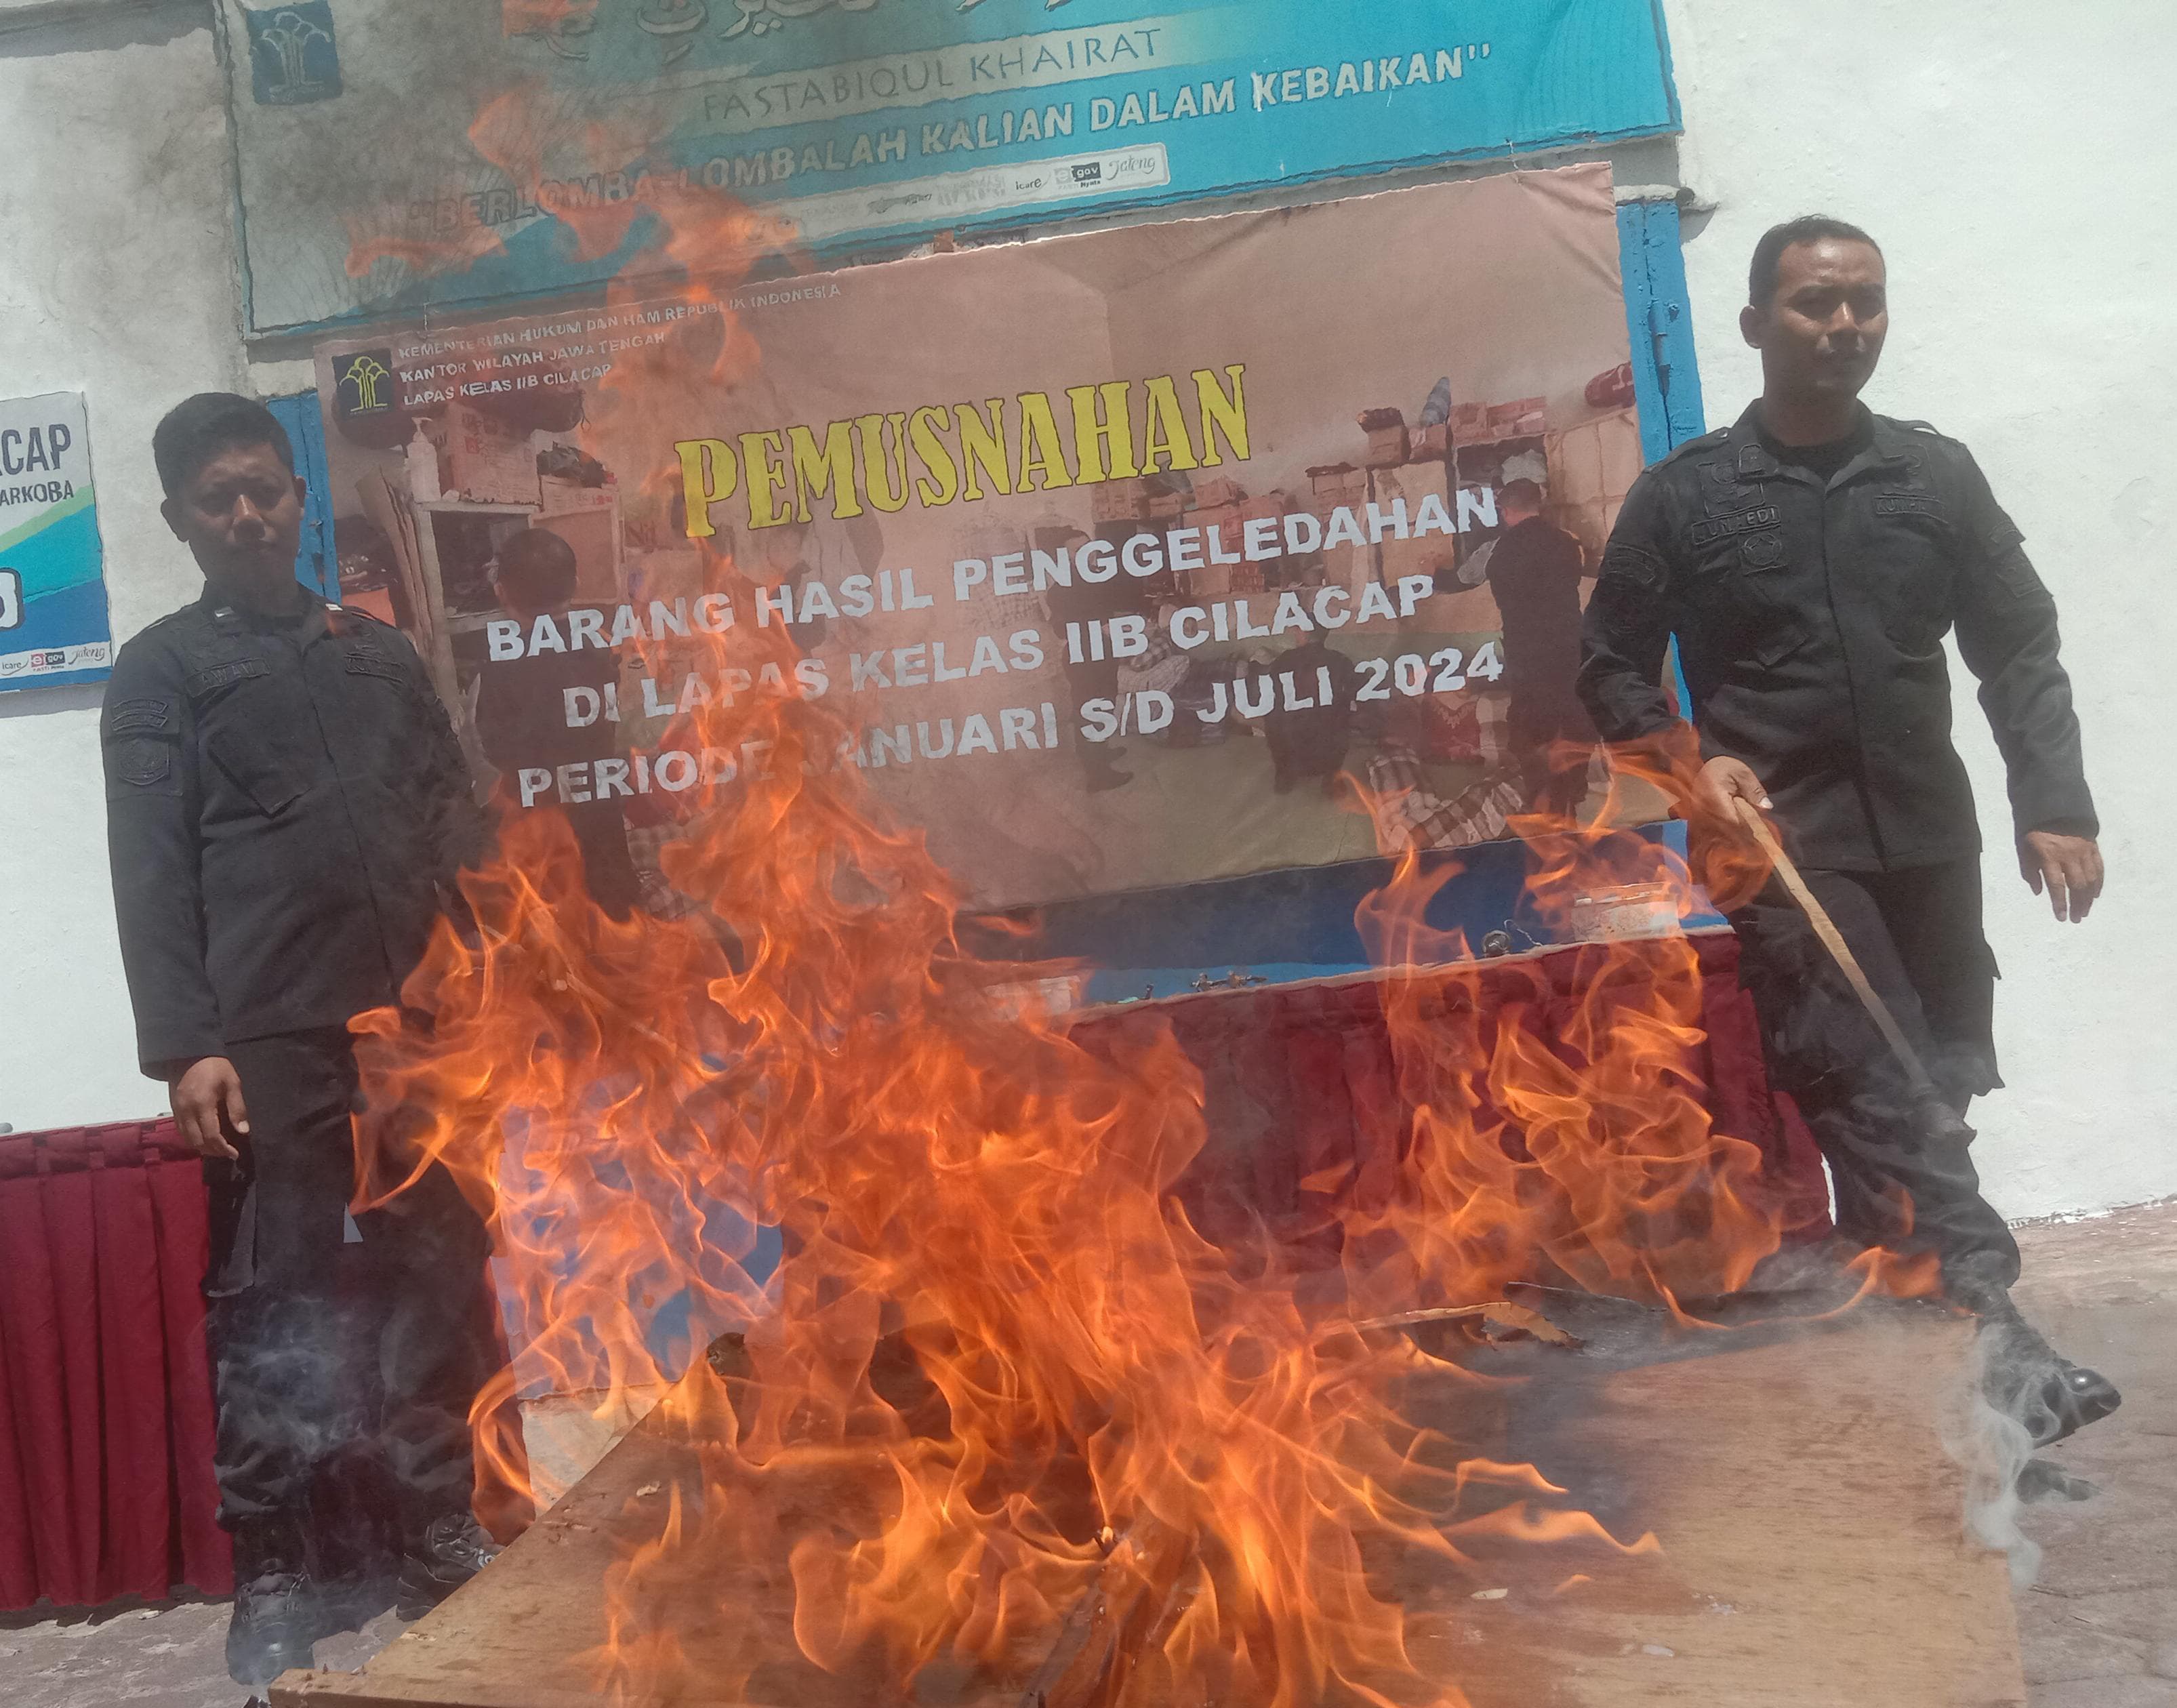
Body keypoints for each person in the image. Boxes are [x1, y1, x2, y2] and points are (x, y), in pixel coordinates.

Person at [1579, 218, 2119, 1446]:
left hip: (1928, 842)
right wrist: (1682, 759)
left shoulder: (1934, 478)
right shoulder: (1687, 495)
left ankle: (1924, 1387)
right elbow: (1607, 663)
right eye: (1816, 304)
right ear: (1755, 324)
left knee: (1931, 1090)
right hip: (1777, 848)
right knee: (1877, 1089)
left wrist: (2055, 805)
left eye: (1864, 303)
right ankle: (2000, 1327)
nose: (1843, 327)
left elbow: (2016, 645)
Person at [100, 395, 507, 1698]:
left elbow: (456, 824)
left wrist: (490, 968)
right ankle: (270, 1563)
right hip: (267, 1041)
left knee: (434, 1275)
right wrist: (185, 1046)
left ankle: (440, 1523)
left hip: (415, 1033)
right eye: (219, 497)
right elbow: (151, 872)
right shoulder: (161, 674)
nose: (248, 513)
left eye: (265, 489)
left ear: (298, 497)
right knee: (265, 1307)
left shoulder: (377, 659)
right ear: (180, 520)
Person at [474, 525, 642, 918]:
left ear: (502, 592)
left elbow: (488, 753)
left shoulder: (496, 667)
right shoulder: (602, 646)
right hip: (603, 831)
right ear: (576, 584)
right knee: (617, 920)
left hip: (539, 842)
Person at [1478, 478, 1596, 813]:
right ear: (1537, 506)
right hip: (1568, 643)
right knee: (1575, 715)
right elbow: (1572, 580)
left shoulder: (1500, 550)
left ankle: (1540, 791)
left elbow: (1489, 586)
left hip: (1526, 650)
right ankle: (1576, 785)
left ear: (1506, 510)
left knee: (1529, 721)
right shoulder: (1566, 543)